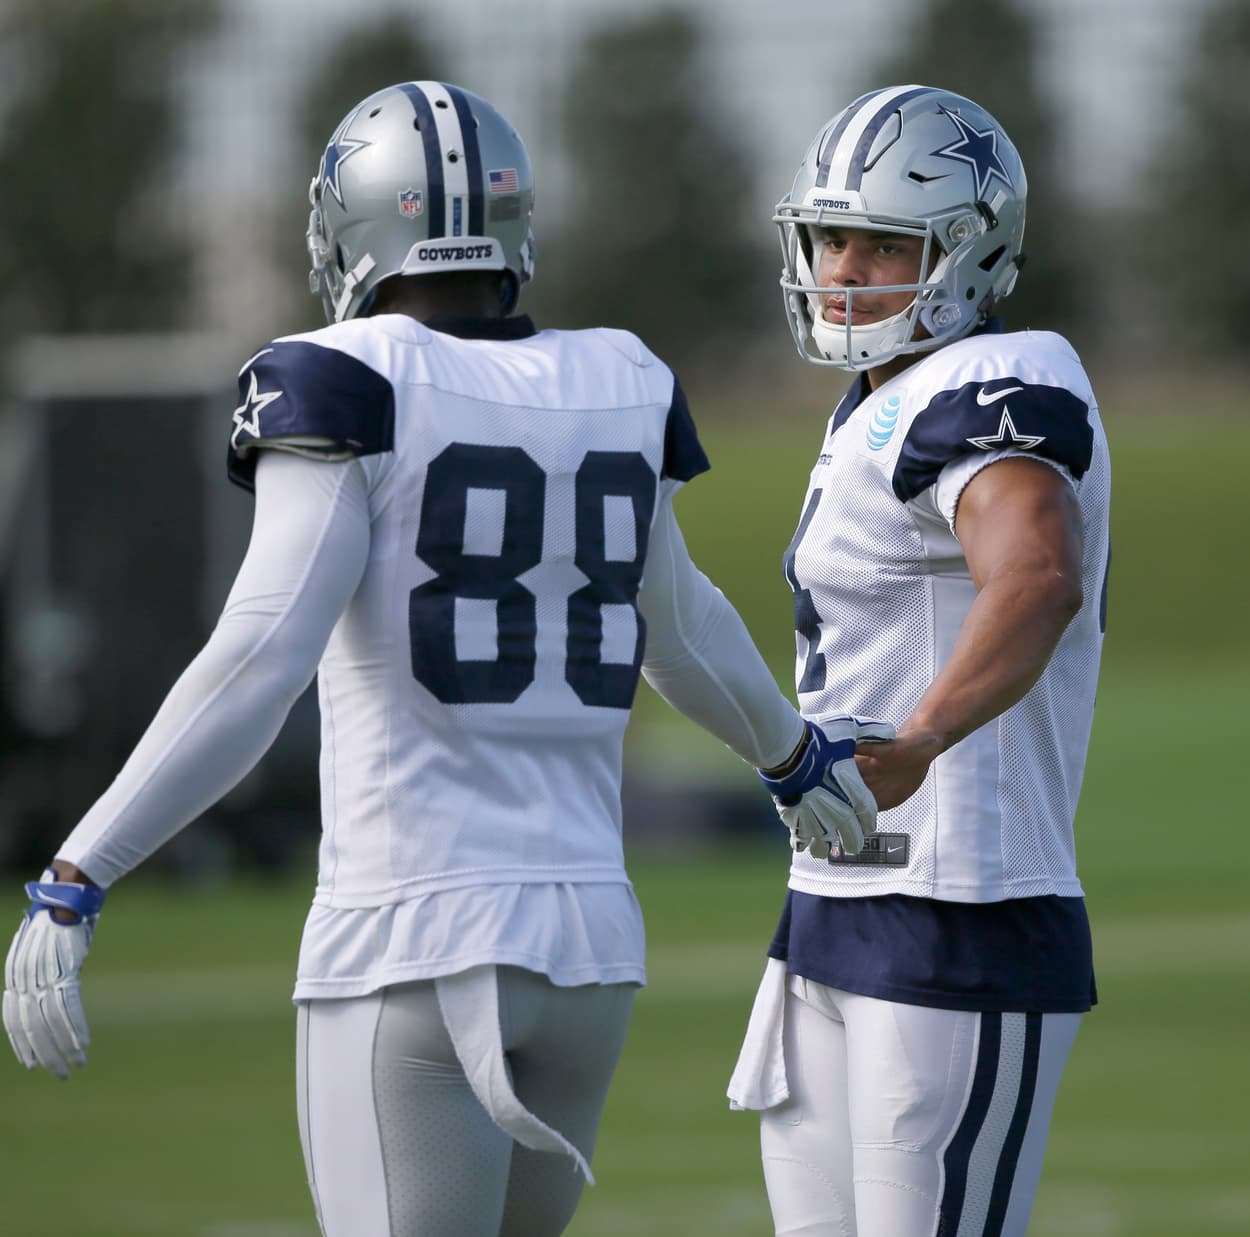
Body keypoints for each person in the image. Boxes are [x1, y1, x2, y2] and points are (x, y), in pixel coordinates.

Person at [2, 83, 885, 1237]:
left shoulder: (344, 375)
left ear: (350, 229)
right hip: (587, 951)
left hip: (410, 938)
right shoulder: (620, 375)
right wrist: (786, 755)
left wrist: (81, 870)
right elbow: (682, 625)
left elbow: (261, 655)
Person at [727, 84, 1111, 1236]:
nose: (841, 268)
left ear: (967, 251)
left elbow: (1036, 575)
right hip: (832, 900)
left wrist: (922, 734)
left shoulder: (997, 379)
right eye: (830, 236)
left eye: (882, 241)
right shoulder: (871, 404)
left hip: (962, 903)